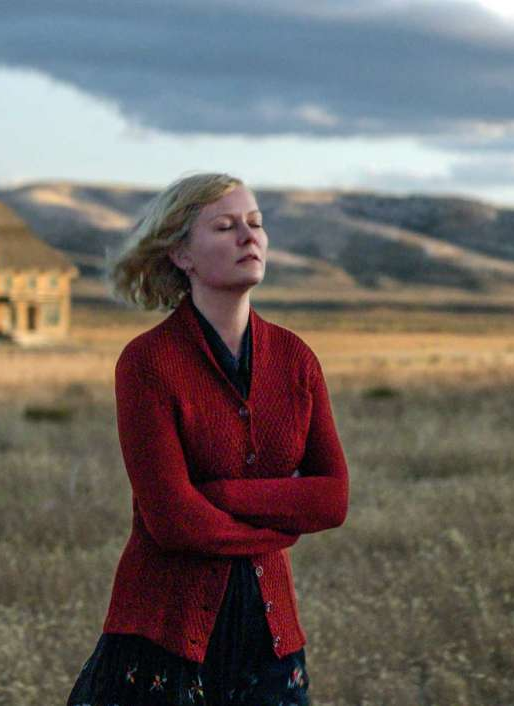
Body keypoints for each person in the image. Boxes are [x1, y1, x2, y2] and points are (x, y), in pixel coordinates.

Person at [66, 173, 349, 706]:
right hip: (161, 640)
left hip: (273, 644)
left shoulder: (296, 359)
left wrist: (220, 496)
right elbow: (173, 522)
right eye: (224, 227)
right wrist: (281, 522)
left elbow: (332, 499)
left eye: (256, 223)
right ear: (181, 255)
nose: (248, 237)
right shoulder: (148, 362)